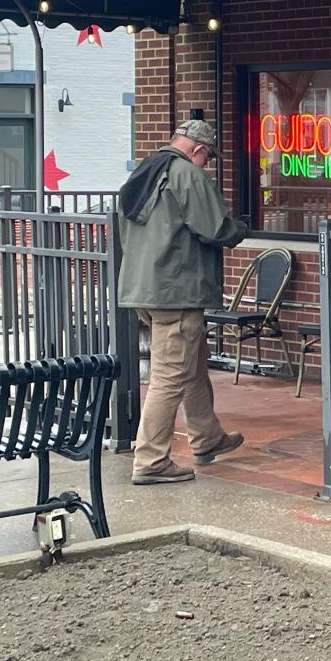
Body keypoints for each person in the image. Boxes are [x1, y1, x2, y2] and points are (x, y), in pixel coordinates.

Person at [118, 119, 249, 485]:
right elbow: (215, 228)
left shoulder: (144, 171)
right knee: (169, 375)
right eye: (207, 158)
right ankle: (151, 460)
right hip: (177, 290)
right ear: (198, 150)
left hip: (145, 288)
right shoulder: (186, 175)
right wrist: (240, 228)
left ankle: (207, 437)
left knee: (191, 364)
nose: (206, 164)